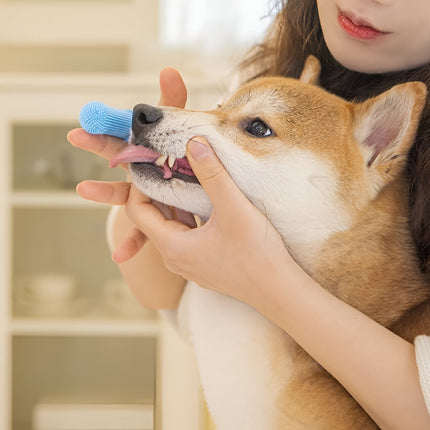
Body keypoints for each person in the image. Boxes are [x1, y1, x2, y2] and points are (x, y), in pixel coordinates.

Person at [68, 0, 430, 428]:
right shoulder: (277, 69)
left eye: (256, 128)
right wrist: (162, 198)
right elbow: (166, 296)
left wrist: (263, 281)